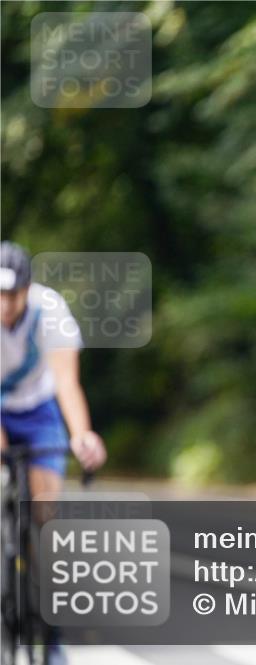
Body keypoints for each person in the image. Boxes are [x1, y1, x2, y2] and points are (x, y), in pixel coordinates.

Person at [1, 241, 106, 665]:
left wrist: (81, 434)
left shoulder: (51, 310)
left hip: (40, 411)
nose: (5, 305)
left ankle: (53, 632)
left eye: (13, 294)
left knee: (47, 518)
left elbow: (66, 382)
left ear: (28, 288)